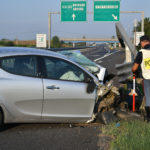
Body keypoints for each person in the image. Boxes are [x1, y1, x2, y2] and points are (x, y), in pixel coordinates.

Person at [132, 35, 150, 122]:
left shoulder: (141, 53)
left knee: (148, 97)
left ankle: (149, 118)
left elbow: (134, 68)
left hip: (147, 78)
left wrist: (133, 71)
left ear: (142, 43)